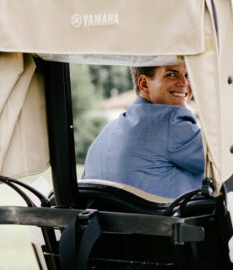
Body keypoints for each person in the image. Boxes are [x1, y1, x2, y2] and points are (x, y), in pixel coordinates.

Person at [82, 60, 205, 198]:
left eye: (187, 75)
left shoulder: (105, 134)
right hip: (170, 219)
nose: (184, 83)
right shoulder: (171, 121)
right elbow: (225, 161)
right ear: (144, 84)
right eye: (171, 74)